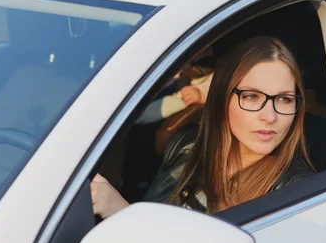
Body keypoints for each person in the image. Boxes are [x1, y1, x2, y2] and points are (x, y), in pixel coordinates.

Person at [91, 36, 314, 217]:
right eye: (252, 97)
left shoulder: (294, 192)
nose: (269, 116)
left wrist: (121, 213)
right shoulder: (187, 146)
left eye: (284, 99)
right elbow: (155, 225)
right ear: (221, 97)